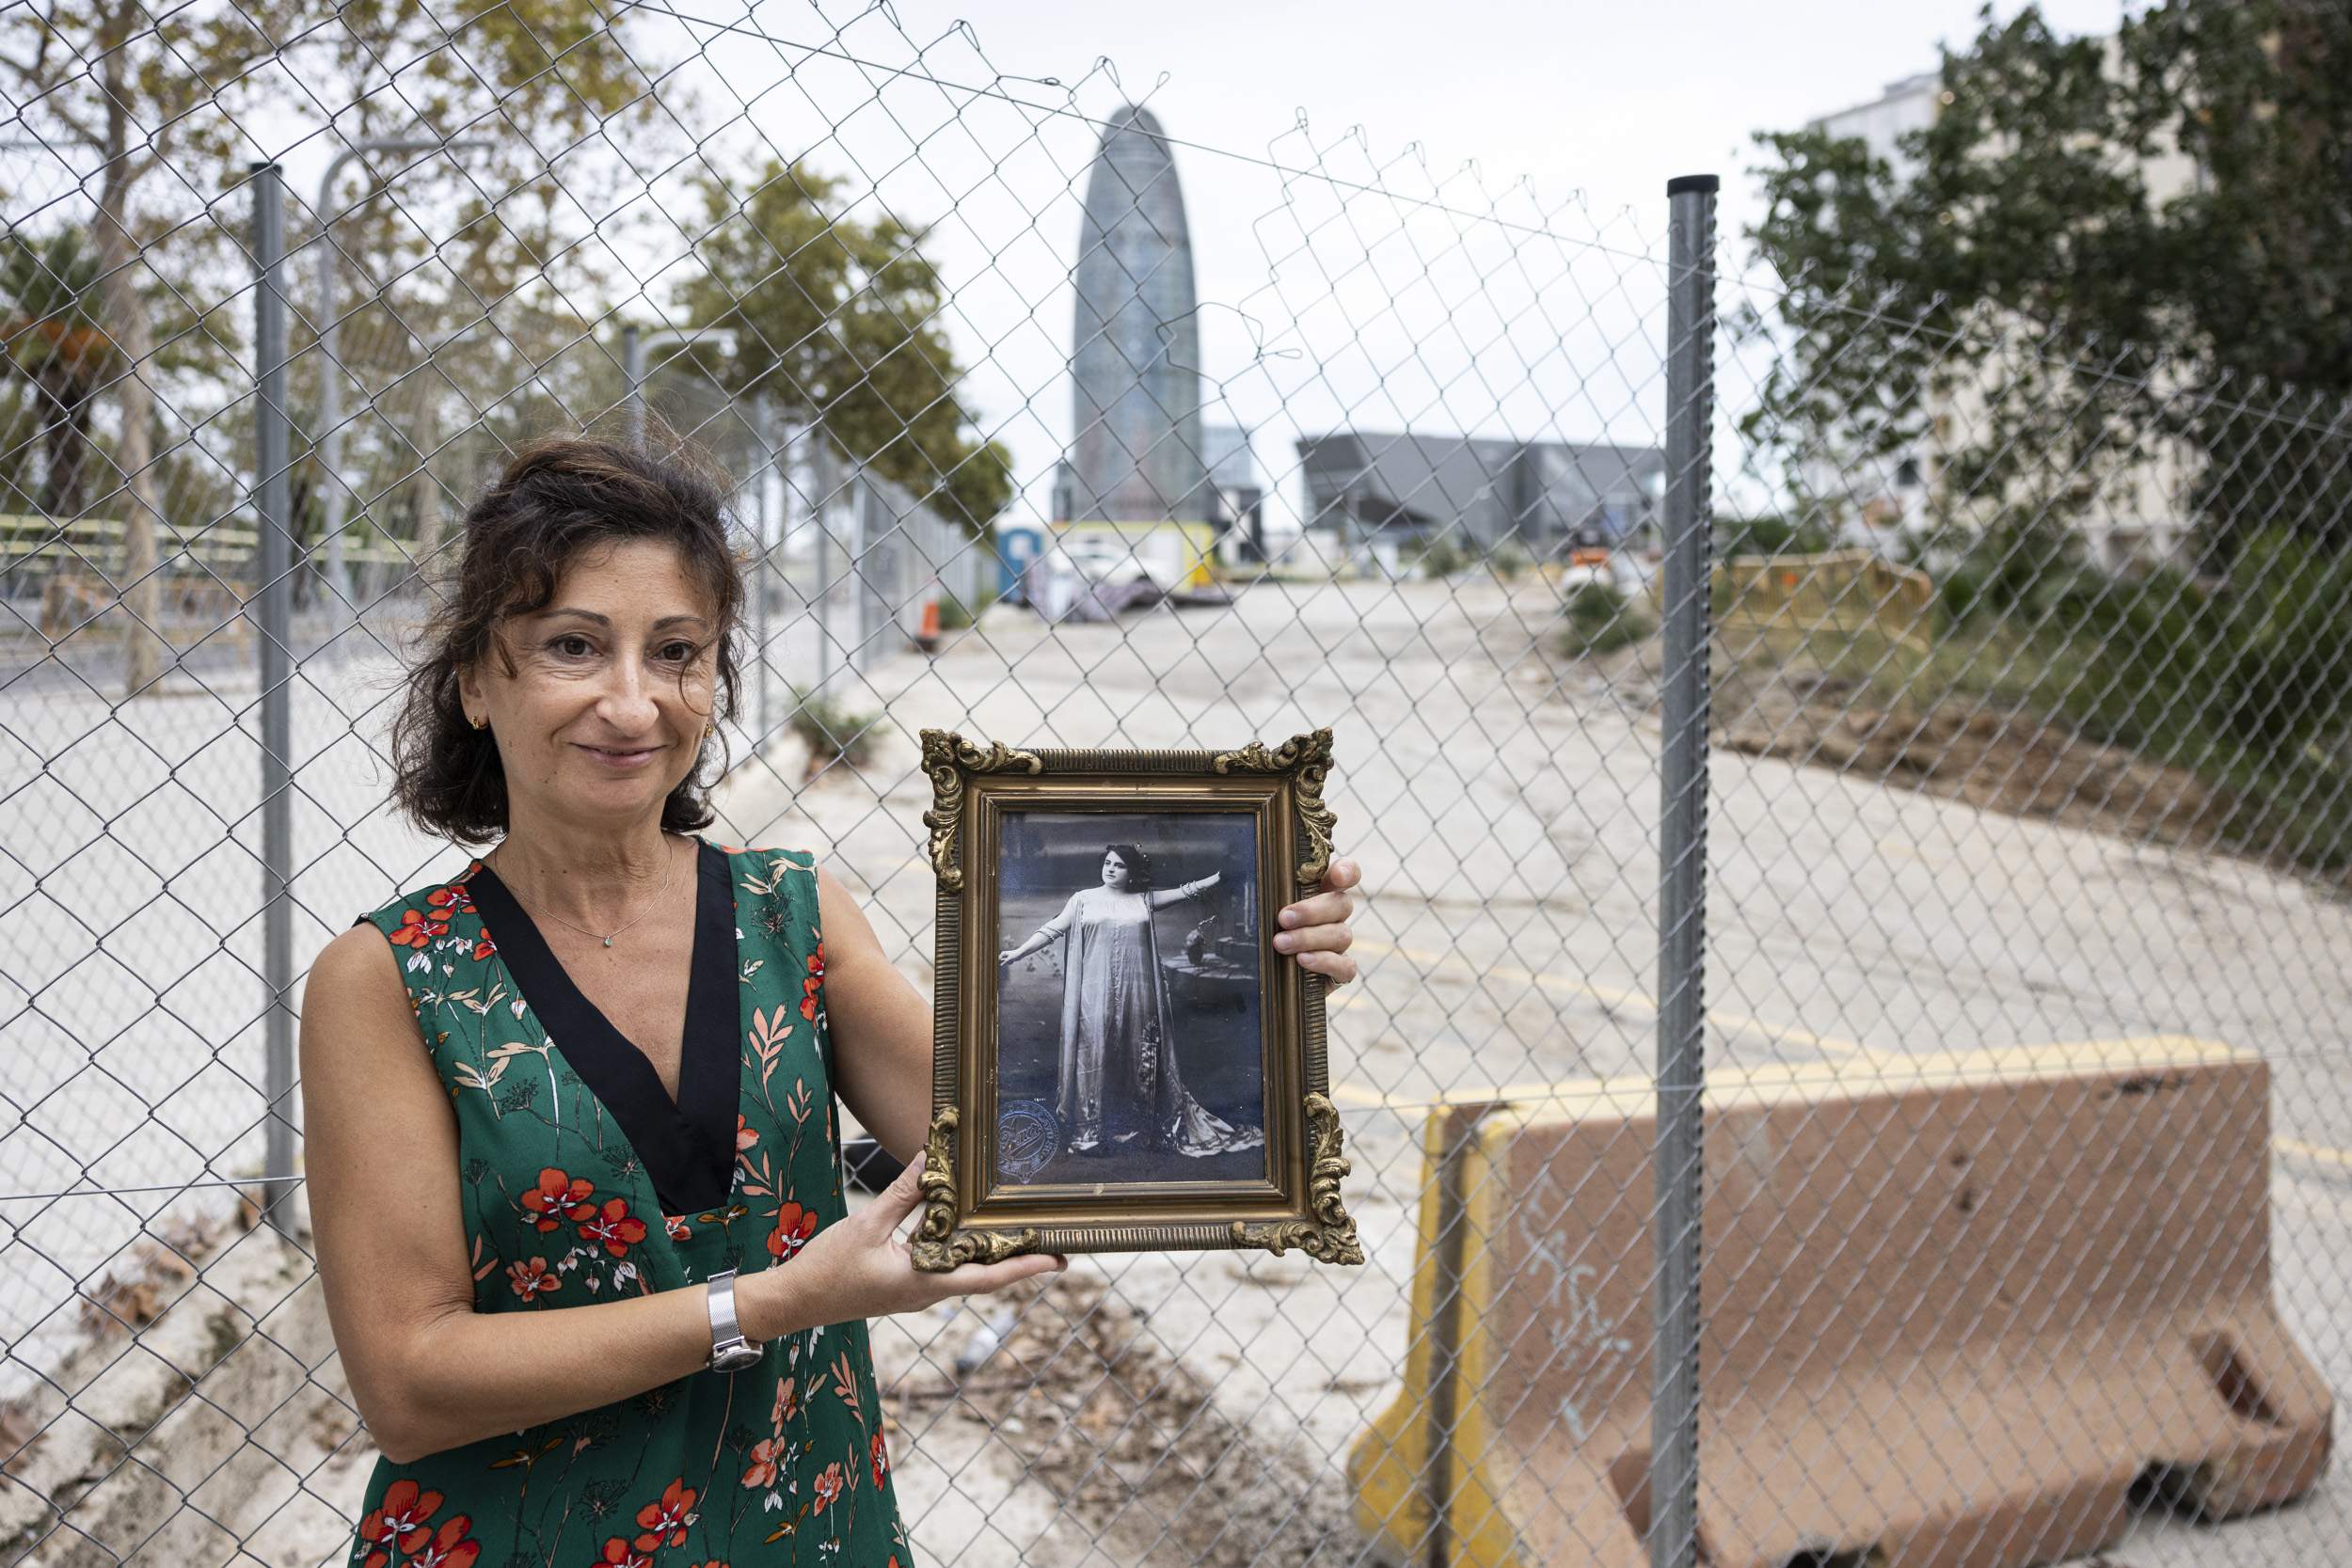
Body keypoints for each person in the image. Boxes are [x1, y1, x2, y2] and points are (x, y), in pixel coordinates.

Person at [295, 436, 1363, 1568]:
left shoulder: (794, 919)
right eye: (572, 645)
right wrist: (768, 1303)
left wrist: (1253, 991)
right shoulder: (391, 980)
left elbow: (1030, 1164)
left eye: (677, 651)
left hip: (807, 1525)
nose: (632, 699)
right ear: (473, 677)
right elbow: (408, 1384)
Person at [995, 843, 1261, 1159]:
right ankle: (1088, 1132)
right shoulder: (1082, 900)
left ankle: (1137, 1125)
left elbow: (1186, 891)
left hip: (1139, 993)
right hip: (1093, 994)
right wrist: (1017, 952)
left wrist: (1220, 876)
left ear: (1131, 872)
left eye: (1119, 865)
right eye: (1107, 863)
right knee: (1092, 1053)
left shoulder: (1144, 901)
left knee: (1137, 1052)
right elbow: (1052, 929)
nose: (1110, 869)